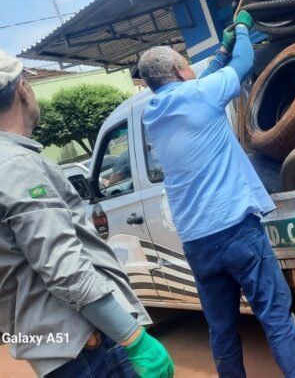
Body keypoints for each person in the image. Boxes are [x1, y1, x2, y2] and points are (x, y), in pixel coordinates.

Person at [139, 11, 295, 378]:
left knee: (222, 331)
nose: (190, 70)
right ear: (177, 73)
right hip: (236, 230)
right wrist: (245, 30)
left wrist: (220, 49)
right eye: (185, 65)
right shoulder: (201, 95)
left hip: (197, 242)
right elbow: (245, 63)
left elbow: (199, 82)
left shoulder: (154, 113)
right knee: (277, 318)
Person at [0, 50, 175, 378]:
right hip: (87, 350)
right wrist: (133, 339)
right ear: (23, 89)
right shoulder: (17, 166)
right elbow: (64, 267)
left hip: (55, 347)